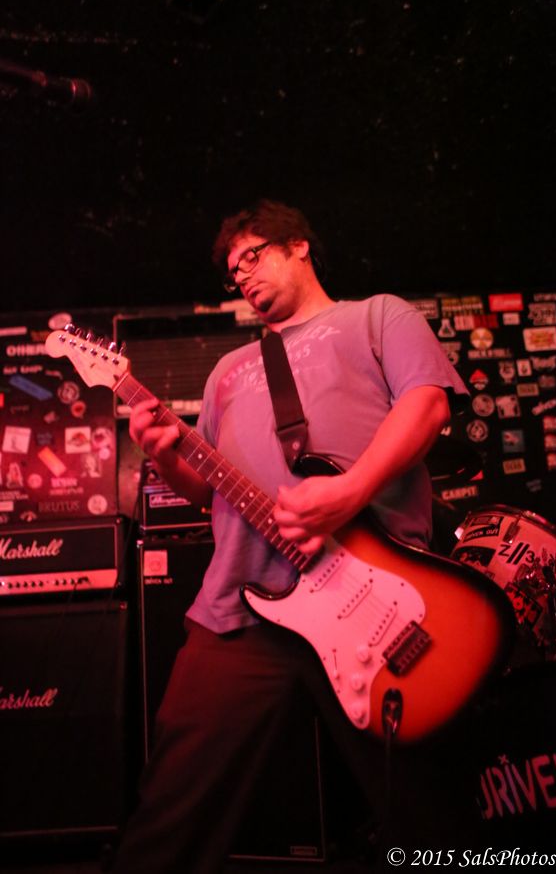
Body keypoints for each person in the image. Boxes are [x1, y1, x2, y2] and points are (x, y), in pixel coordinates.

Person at [112, 199, 470, 873]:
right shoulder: (227, 371)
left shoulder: (378, 316)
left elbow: (428, 404)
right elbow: (209, 492)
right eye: (232, 271)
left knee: (429, 808)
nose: (242, 275)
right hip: (241, 607)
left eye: (252, 255)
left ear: (298, 245)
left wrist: (351, 491)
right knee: (172, 809)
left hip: (376, 602)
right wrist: (164, 454)